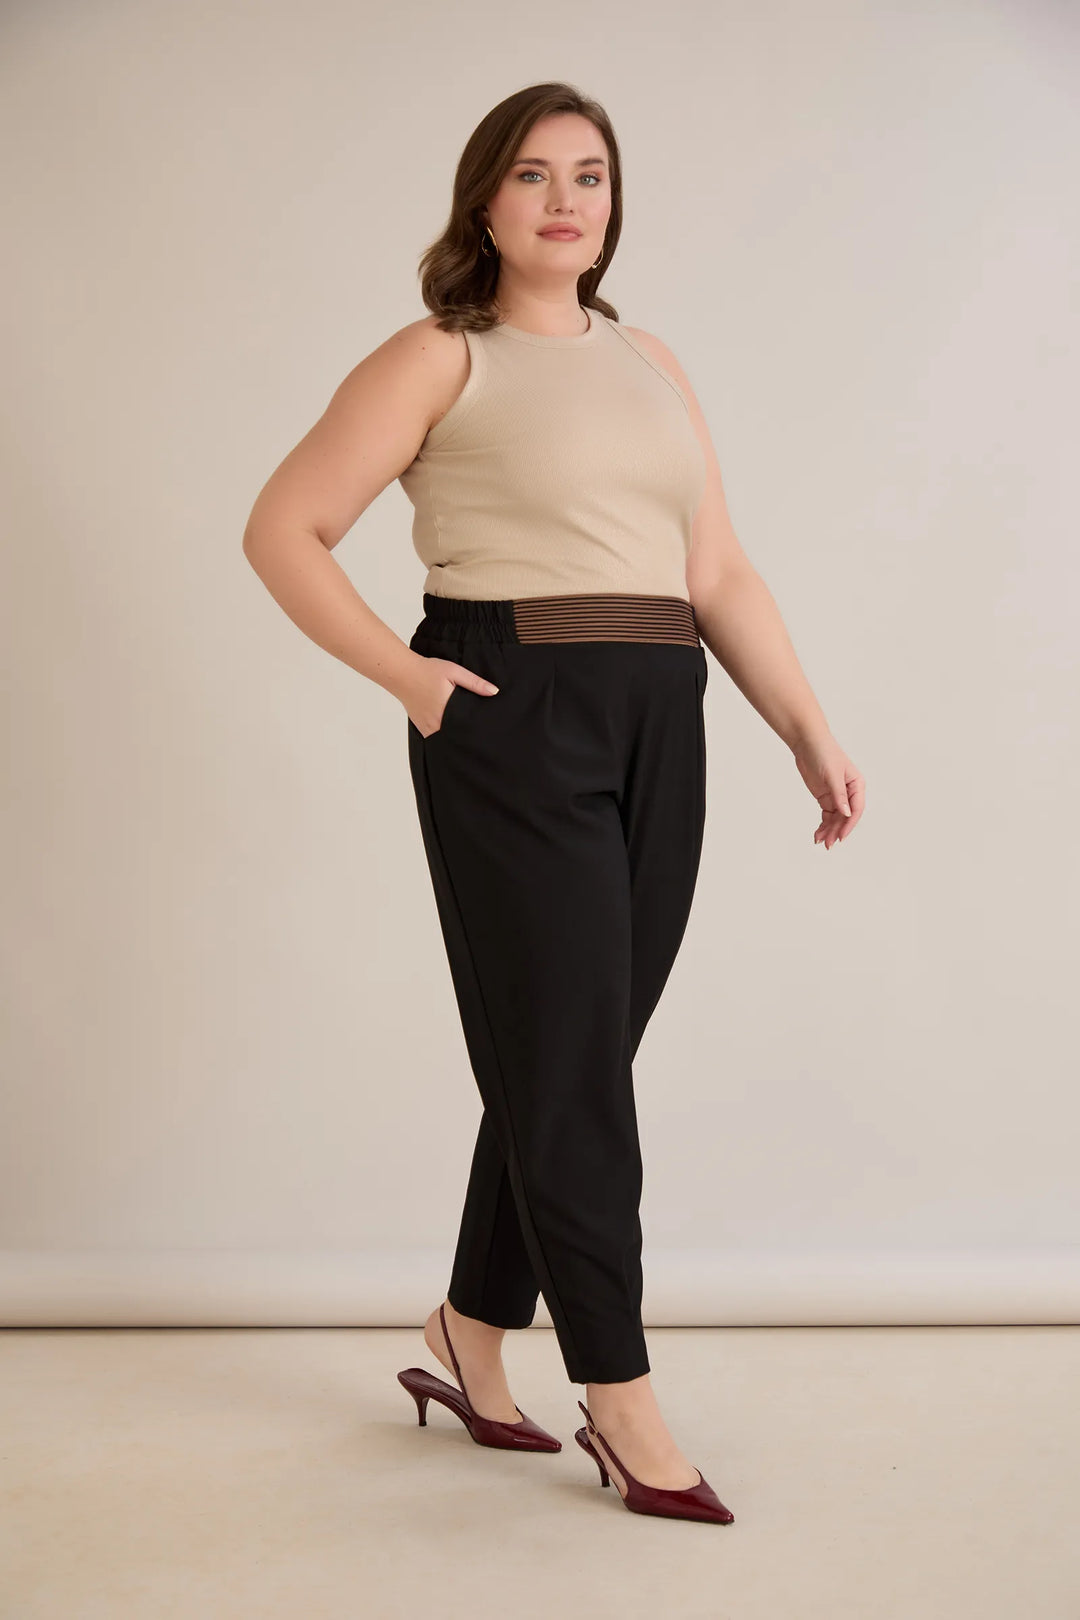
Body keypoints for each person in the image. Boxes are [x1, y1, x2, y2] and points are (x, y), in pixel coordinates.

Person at [242, 82, 865, 1525]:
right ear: (485, 200)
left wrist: (805, 728)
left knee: (573, 1051)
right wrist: (411, 678)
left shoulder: (652, 361)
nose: (565, 199)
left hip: (661, 709)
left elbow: (716, 572)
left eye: (589, 174)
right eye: (532, 174)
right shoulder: (438, 356)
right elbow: (284, 527)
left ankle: (470, 1326)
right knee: (575, 1069)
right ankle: (620, 1393)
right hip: (512, 708)